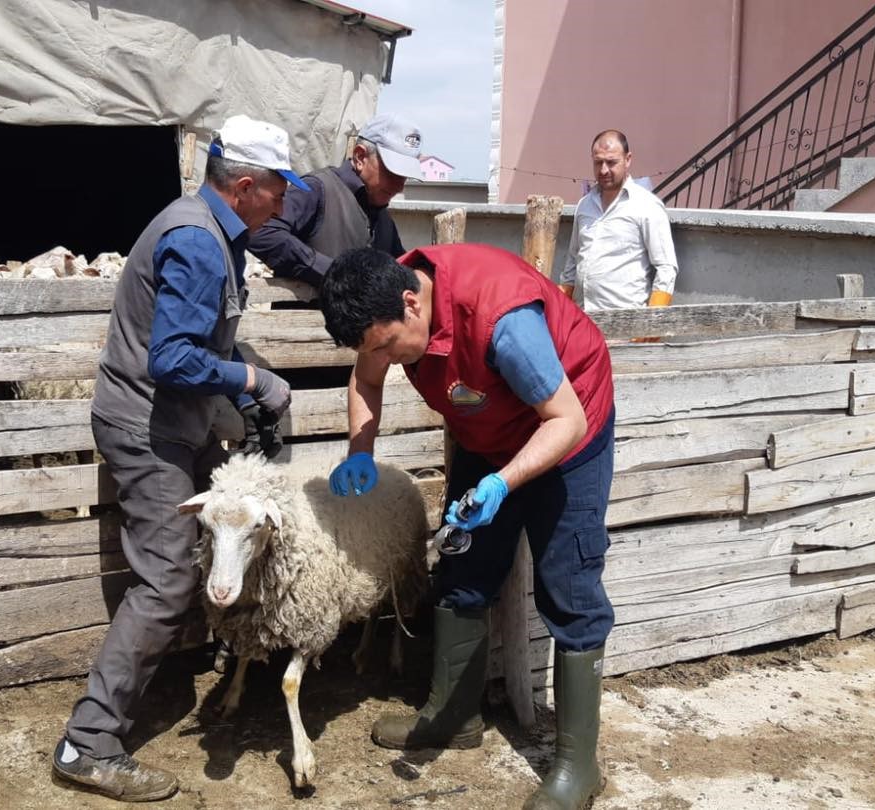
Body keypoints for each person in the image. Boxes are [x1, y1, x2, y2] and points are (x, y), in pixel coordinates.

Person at [52, 115, 303, 803]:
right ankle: (88, 742)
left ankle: (177, 675)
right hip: (147, 427)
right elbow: (174, 358)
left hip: (172, 424)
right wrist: (254, 382)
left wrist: (238, 402)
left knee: (203, 552)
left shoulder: (210, 232)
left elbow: (196, 346)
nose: (284, 201)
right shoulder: (196, 239)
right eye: (278, 188)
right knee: (166, 577)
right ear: (246, 185)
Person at [321, 244, 617, 810]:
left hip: (569, 426)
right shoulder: (385, 316)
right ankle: (454, 714)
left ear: (412, 304)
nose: (382, 356)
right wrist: (360, 448)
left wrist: (504, 483)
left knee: (569, 586)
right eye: (371, 347)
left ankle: (579, 766)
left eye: (386, 344)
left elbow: (566, 419)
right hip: (492, 429)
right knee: (462, 562)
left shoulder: (503, 321)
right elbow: (366, 378)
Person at [248, 112, 423, 288]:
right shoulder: (317, 189)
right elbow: (262, 233)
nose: (399, 187)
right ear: (360, 157)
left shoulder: (383, 219)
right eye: (392, 173)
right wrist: (335, 274)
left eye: (404, 177)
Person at [559, 129, 679, 315]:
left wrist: (653, 321)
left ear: (627, 159)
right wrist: (562, 307)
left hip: (625, 325)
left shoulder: (647, 205)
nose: (604, 170)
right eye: (598, 162)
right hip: (582, 321)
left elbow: (666, 267)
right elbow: (573, 260)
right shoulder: (585, 205)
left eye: (611, 162)